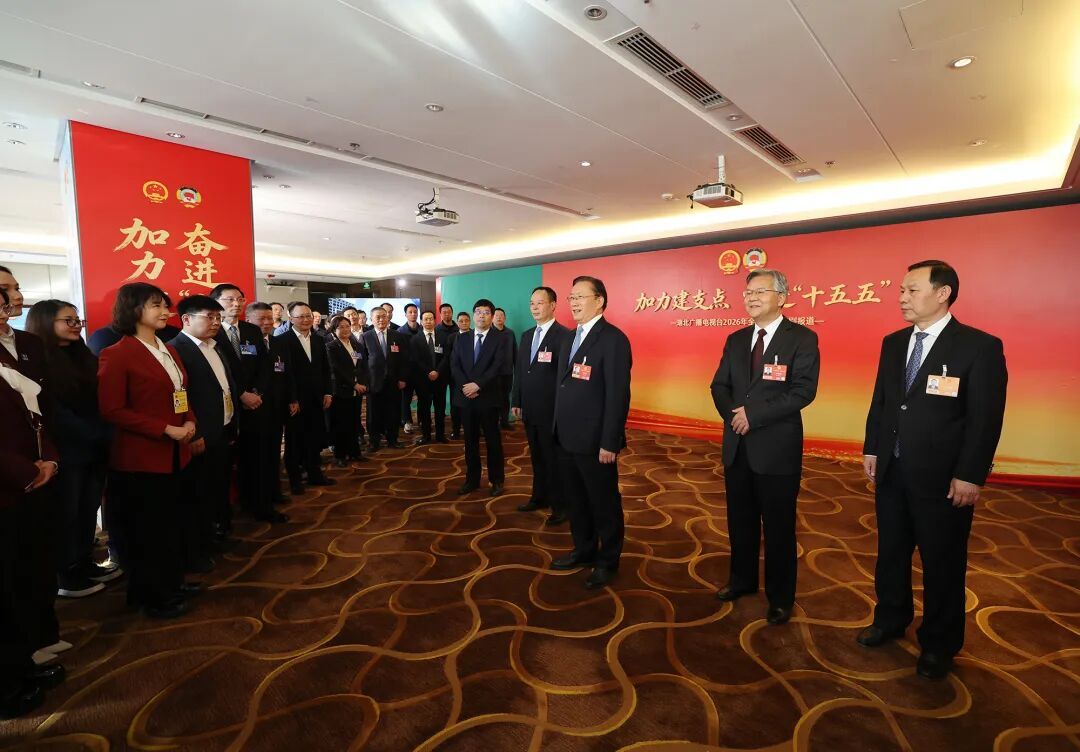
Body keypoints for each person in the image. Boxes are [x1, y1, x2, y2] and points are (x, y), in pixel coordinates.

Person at [860, 260, 1007, 680]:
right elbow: (883, 401)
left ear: (942, 293)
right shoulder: (893, 342)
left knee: (942, 563)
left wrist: (971, 474)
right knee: (891, 552)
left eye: (912, 290)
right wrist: (873, 448)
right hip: (892, 469)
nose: (902, 298)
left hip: (944, 479)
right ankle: (890, 618)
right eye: (901, 291)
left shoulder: (978, 346)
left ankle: (940, 643)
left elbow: (985, 419)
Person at [709, 269, 820, 626]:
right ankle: (741, 580)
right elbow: (719, 386)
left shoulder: (802, 338)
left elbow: (803, 391)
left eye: (760, 291)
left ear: (782, 297)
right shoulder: (736, 339)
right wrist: (734, 417)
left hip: (776, 449)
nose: (751, 298)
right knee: (739, 520)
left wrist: (753, 416)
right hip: (737, 444)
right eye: (747, 292)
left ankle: (780, 597)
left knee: (778, 527)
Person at [97, 282, 200, 619]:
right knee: (148, 532)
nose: (165, 311)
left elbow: (180, 392)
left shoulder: (167, 348)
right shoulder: (117, 353)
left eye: (165, 305)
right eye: (156, 305)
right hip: (141, 458)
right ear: (133, 310)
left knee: (171, 525)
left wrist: (190, 420)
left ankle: (172, 582)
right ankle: (153, 595)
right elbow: (112, 410)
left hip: (175, 453)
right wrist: (165, 429)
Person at [1, 285, 66, 718]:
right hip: (11, 481)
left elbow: (39, 412)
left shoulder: (23, 345)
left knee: (23, 575)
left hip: (32, 476)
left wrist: (49, 459)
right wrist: (26, 471)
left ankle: (23, 663)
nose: (8, 302)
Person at [26, 300, 119, 598]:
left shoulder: (84, 355)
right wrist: (93, 434)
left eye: (77, 319)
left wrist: (103, 434)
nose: (76, 325)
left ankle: (83, 561)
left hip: (95, 446)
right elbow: (54, 412)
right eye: (68, 320)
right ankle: (66, 573)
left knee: (87, 509)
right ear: (45, 323)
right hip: (66, 451)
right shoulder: (38, 361)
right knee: (67, 512)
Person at [550, 276, 632, 590]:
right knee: (576, 500)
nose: (573, 303)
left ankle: (608, 560)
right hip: (566, 436)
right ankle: (583, 549)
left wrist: (610, 441)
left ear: (599, 301)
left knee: (603, 503)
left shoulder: (613, 340)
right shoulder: (569, 337)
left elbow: (617, 396)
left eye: (580, 297)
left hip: (596, 441)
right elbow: (564, 387)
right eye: (571, 297)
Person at [210, 283, 272, 537]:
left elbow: (265, 366)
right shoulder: (210, 333)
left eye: (240, 299)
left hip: (255, 405)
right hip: (226, 409)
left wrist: (256, 392)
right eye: (229, 300)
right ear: (215, 303)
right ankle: (222, 519)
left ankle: (258, 505)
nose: (236, 304)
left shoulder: (251, 330)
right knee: (223, 465)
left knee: (256, 458)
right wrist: (241, 395)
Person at [511, 287, 571, 526]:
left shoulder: (563, 336)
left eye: (540, 303)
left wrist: (561, 410)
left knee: (553, 459)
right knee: (536, 456)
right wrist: (516, 400)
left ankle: (561, 505)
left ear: (553, 305)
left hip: (551, 411)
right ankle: (539, 497)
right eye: (532, 303)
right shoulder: (527, 335)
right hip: (529, 408)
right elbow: (520, 371)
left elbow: (563, 379)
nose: (535, 308)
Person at [451, 298, 511, 497]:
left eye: (486, 312)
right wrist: (467, 387)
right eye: (478, 312)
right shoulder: (462, 338)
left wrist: (478, 385)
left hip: (488, 397)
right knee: (470, 441)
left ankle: (497, 480)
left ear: (492, 316)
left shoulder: (500, 338)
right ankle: (472, 479)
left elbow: (498, 366)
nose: (482, 316)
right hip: (466, 398)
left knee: (493, 441)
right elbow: (455, 365)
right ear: (473, 314)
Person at [277, 301, 335, 494]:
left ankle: (314, 473)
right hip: (295, 401)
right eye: (300, 316)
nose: (305, 320)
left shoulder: (319, 339)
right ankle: (295, 479)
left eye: (308, 316)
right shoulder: (282, 341)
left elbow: (325, 369)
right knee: (294, 440)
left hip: (317, 398)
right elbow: (283, 374)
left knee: (314, 437)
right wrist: (291, 399)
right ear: (290, 318)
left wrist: (328, 392)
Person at [246, 302, 298, 505]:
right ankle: (259, 497)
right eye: (261, 319)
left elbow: (288, 372)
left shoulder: (278, 343)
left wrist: (292, 398)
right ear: (248, 320)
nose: (267, 323)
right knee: (257, 455)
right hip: (254, 407)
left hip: (277, 406)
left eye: (269, 318)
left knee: (274, 451)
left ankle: (274, 490)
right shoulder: (244, 344)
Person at [326, 314, 369, 466]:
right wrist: (353, 384)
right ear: (334, 330)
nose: (345, 329)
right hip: (341, 390)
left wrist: (362, 382)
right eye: (341, 327)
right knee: (340, 424)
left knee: (354, 421)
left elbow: (362, 366)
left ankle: (354, 452)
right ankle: (340, 455)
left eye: (347, 326)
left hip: (357, 391)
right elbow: (336, 370)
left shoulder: (356, 345)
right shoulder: (331, 347)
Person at [362, 307, 407, 451]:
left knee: (393, 412)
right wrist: (365, 382)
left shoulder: (397, 335)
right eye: (378, 317)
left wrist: (402, 378)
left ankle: (392, 439)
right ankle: (374, 442)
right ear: (371, 319)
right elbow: (362, 363)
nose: (381, 319)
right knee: (373, 414)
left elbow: (403, 359)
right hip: (373, 382)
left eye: (384, 316)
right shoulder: (365, 336)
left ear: (388, 318)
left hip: (394, 381)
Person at [410, 310, 450, 444]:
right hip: (423, 380)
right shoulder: (415, 339)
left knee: (440, 408)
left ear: (435, 320)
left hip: (440, 379)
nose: (428, 321)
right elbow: (415, 359)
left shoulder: (443, 337)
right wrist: (429, 372)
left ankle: (440, 435)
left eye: (431, 319)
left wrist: (437, 371)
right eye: (425, 319)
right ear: (421, 322)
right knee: (424, 409)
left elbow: (446, 357)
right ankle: (426, 435)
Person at [398, 303, 422, 434]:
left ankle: (422, 420)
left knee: (423, 398)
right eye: (410, 312)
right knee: (406, 399)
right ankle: (407, 421)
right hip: (406, 372)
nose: (413, 314)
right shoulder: (400, 332)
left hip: (421, 371)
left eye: (415, 312)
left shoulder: (423, 329)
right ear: (405, 314)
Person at [492, 307, 516, 429]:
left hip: (507, 372)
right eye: (496, 315)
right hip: (493, 374)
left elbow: (515, 352)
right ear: (492, 317)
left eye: (501, 315)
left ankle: (504, 422)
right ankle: (493, 422)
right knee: (493, 398)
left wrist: (517, 369)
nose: (499, 317)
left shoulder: (510, 333)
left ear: (505, 318)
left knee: (505, 398)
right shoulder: (489, 332)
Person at [449, 311, 471, 440]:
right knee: (456, 406)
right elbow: (449, 357)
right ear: (457, 323)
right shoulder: (452, 337)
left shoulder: (475, 335)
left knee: (473, 405)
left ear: (470, 321)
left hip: (472, 379)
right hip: (456, 378)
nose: (464, 323)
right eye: (461, 321)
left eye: (466, 320)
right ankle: (456, 430)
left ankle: (474, 429)